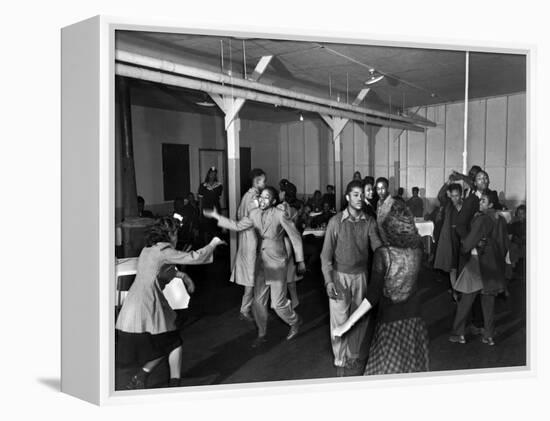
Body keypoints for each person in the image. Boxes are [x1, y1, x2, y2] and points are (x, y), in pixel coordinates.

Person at [116, 217, 226, 389]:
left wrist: (183, 276)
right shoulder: (164, 250)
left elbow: (161, 270)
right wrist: (213, 243)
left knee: (169, 343)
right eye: (175, 233)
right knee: (172, 343)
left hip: (135, 303)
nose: (177, 237)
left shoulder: (149, 249)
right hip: (147, 304)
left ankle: (145, 377)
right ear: (169, 234)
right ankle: (168, 383)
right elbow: (193, 257)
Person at [332, 199, 428, 375]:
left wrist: (347, 324)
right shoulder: (418, 250)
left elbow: (372, 297)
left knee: (384, 378)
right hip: (414, 323)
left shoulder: (383, 254)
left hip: (390, 325)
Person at [204, 186, 306, 347]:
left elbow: (295, 236)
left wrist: (300, 260)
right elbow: (237, 226)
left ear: (273, 201)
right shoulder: (254, 213)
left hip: (277, 262)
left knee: (278, 304)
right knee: (258, 302)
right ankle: (261, 333)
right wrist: (217, 216)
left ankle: (295, 321)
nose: (262, 200)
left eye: (267, 198)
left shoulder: (280, 214)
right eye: (261, 197)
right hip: (261, 262)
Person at [321, 180, 382, 376]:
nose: (359, 199)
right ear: (347, 197)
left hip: (361, 277)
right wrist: (329, 280)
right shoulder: (335, 222)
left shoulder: (369, 222)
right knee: (339, 319)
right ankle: (340, 358)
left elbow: (378, 249)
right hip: (339, 276)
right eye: (355, 195)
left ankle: (353, 354)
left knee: (360, 318)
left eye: (361, 195)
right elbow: (325, 256)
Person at [449, 193, 507, 346]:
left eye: (483, 200)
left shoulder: (482, 219)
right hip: (493, 265)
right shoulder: (500, 219)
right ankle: (489, 336)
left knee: (466, 299)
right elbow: (504, 244)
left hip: (477, 262)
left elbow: (469, 242)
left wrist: (464, 247)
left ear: (490, 205)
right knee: (488, 302)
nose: (480, 202)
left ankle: (458, 333)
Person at [231, 168, 266, 322]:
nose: (265, 184)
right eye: (263, 181)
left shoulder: (247, 196)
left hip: (247, 239)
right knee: (252, 277)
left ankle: (249, 308)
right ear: (257, 181)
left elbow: (239, 215)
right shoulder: (253, 198)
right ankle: (245, 310)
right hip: (252, 241)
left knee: (252, 277)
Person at [434, 181, 464, 298]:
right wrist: (448, 182)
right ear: (449, 195)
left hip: (461, 240)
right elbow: (440, 195)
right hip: (450, 241)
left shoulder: (465, 206)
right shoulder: (448, 204)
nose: (455, 198)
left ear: (461, 195)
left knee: (461, 267)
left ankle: (460, 290)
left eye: (457, 196)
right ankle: (455, 292)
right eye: (453, 196)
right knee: (452, 268)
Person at [279, 183, 302, 309]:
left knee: (280, 275)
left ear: (284, 193)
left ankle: (281, 302)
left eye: (280, 191)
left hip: (281, 243)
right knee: (290, 275)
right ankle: (295, 299)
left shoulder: (280, 208)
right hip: (291, 244)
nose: (279, 193)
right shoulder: (294, 210)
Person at [198, 167, 224, 244]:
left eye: (214, 174)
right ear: (208, 174)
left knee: (215, 230)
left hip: (216, 210)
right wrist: (200, 212)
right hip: (206, 210)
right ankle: (207, 248)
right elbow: (200, 200)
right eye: (211, 174)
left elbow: (218, 199)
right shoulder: (203, 185)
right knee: (206, 230)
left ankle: (215, 248)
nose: (212, 175)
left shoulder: (219, 186)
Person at [508, 204, 526, 276]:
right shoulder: (514, 223)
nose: (520, 215)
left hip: (525, 244)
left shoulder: (529, 223)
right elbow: (510, 236)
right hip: (516, 244)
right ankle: (513, 269)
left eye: (522, 213)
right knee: (513, 247)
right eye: (518, 213)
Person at [375, 177, 393, 243]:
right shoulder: (378, 202)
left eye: (383, 188)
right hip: (381, 240)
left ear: (387, 188)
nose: (380, 192)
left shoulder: (393, 204)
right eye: (378, 189)